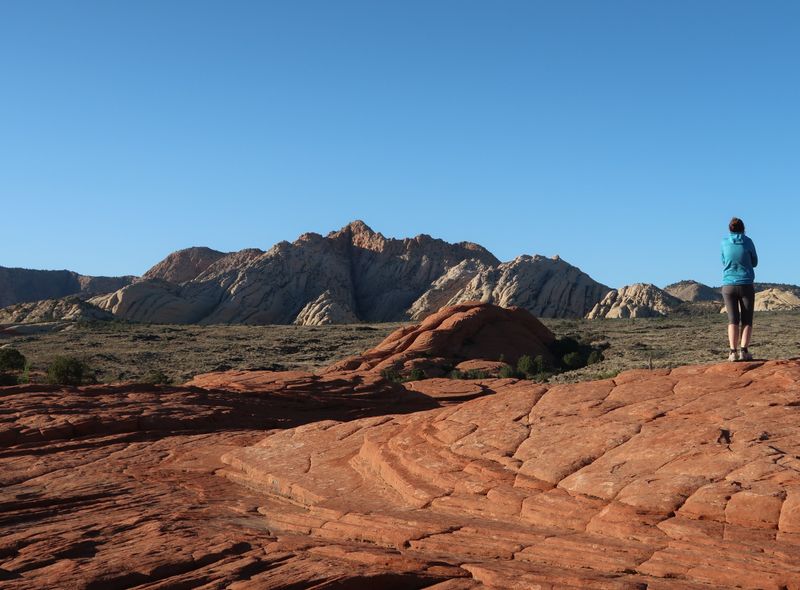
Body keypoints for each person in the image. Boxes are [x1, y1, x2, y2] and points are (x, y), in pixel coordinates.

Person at [721, 217, 758, 361]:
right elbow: (755, 262)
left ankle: (732, 352)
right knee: (747, 320)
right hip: (746, 284)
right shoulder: (748, 241)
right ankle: (744, 351)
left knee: (733, 320)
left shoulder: (724, 242)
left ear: (730, 229)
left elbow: (723, 261)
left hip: (728, 285)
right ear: (743, 229)